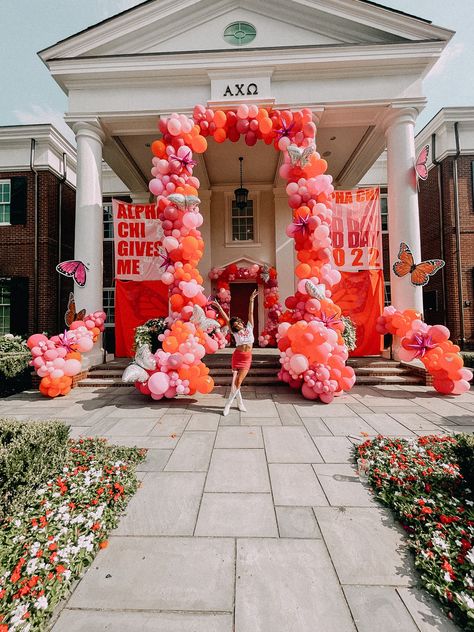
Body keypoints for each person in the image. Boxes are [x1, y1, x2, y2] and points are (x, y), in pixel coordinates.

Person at [211, 288, 258, 415]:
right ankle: (240, 404)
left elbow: (251, 313)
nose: (237, 324)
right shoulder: (235, 333)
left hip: (247, 358)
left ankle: (228, 404)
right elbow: (226, 318)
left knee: (238, 382)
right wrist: (219, 307)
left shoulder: (250, 327)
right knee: (236, 383)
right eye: (235, 324)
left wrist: (251, 300)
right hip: (237, 357)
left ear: (242, 323)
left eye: (238, 323)